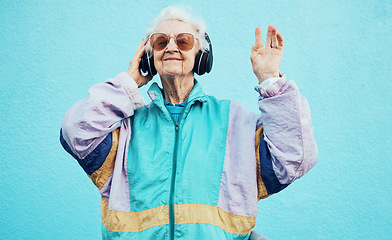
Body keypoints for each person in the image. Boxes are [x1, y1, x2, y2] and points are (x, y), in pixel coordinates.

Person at [60, 6, 318, 240]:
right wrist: (128, 83)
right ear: (149, 58)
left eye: (183, 41)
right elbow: (75, 133)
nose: (171, 47)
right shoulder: (125, 127)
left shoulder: (235, 122)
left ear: (201, 55)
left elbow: (294, 159)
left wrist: (270, 79)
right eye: (161, 42)